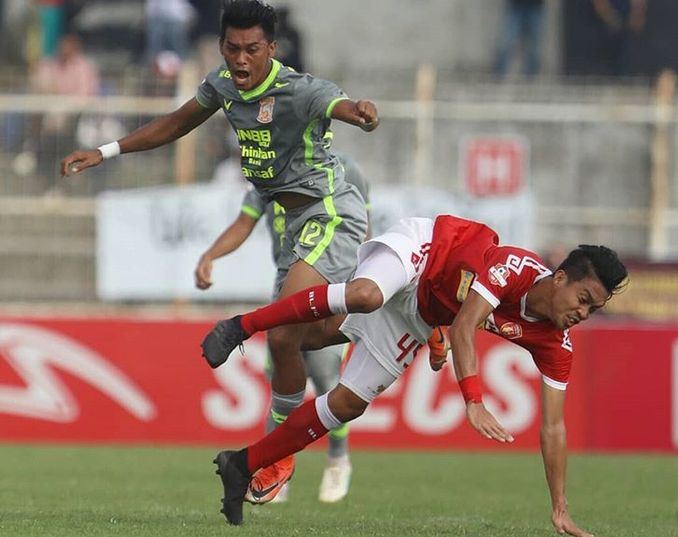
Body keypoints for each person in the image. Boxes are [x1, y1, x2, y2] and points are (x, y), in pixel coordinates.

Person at [60, 0, 378, 504]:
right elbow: (176, 122)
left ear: (271, 48)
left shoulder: (298, 89)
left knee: (281, 333)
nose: (241, 59)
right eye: (232, 48)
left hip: (329, 214)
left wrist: (357, 112)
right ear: (221, 45)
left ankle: (277, 457)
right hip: (294, 226)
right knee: (292, 342)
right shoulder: (224, 86)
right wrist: (105, 151)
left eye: (252, 49)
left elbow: (337, 103)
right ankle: (395, 315)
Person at [202, 215, 628, 532]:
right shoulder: (514, 268)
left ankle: (243, 464)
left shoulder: (557, 344)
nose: (583, 313)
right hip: (424, 253)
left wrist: (559, 507)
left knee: (347, 401)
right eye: (583, 298)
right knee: (366, 295)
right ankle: (241, 325)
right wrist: (473, 400)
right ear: (559, 279)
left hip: (423, 314)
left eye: (594, 309)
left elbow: (554, 427)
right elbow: (466, 326)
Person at [195, 152, 372, 504]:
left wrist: (363, 281)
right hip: (287, 281)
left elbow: (363, 229)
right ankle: (275, 468)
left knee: (324, 374)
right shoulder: (269, 168)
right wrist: (211, 254)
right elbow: (245, 222)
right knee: (281, 373)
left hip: (332, 278)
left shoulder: (348, 169)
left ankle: (338, 458)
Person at [31, 32, 99, 191]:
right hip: (50, 117)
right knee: (48, 112)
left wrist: (63, 103)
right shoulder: (50, 64)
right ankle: (33, 149)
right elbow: (40, 86)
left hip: (78, 118)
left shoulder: (84, 67)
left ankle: (36, 149)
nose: (63, 50)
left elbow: (85, 96)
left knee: (58, 113)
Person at [493, 0, 545, 78]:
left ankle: (530, 79)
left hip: (535, 6)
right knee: (506, 41)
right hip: (516, 6)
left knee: (535, 46)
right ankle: (498, 76)